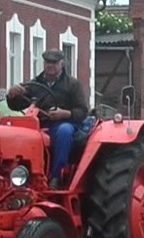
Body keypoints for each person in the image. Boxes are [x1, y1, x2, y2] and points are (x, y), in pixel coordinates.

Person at [7, 49, 88, 188]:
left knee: (64, 131)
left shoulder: (72, 85)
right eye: (47, 62)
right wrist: (13, 94)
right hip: (39, 124)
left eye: (54, 62)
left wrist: (64, 114)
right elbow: (17, 104)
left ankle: (56, 176)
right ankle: (18, 175)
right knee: (15, 132)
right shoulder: (35, 84)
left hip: (63, 124)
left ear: (62, 64)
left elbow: (82, 111)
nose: (50, 65)